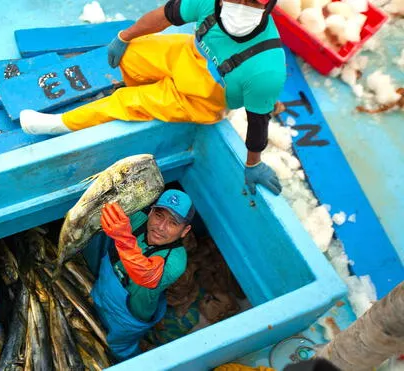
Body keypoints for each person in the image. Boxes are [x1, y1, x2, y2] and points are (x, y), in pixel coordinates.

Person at [19, 0, 286, 196]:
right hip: (185, 56)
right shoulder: (209, 3)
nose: (241, 5)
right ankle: (147, 87)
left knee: (124, 101)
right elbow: (165, 15)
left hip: (200, 98)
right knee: (132, 53)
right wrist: (125, 36)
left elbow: (258, 122)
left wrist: (253, 164)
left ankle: (59, 124)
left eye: (253, 1)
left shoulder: (268, 68)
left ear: (269, 5)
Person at [83, 189, 194, 360]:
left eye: (173, 223)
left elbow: (146, 275)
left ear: (185, 230)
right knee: (91, 316)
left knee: (119, 346)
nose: (160, 227)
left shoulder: (177, 260)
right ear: (150, 212)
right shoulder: (138, 219)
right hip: (102, 289)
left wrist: (123, 238)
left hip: (128, 316)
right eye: (158, 215)